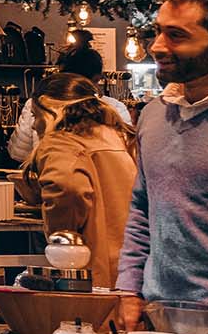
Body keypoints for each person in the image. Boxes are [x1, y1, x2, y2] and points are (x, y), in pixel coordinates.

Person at [118, 0, 208, 328]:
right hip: (158, 316)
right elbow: (143, 207)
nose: (157, 46)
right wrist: (129, 289)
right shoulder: (157, 113)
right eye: (157, 31)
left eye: (177, 35)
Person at [14, 73, 137, 289]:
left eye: (35, 115)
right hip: (131, 268)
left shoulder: (62, 143)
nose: (34, 125)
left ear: (50, 111)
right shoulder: (121, 135)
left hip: (87, 272)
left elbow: (68, 188)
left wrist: (62, 241)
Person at [9, 44, 132, 162]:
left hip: (45, 177)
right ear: (97, 78)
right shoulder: (114, 107)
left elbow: (18, 153)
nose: (35, 125)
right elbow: (125, 154)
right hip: (100, 181)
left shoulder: (38, 103)